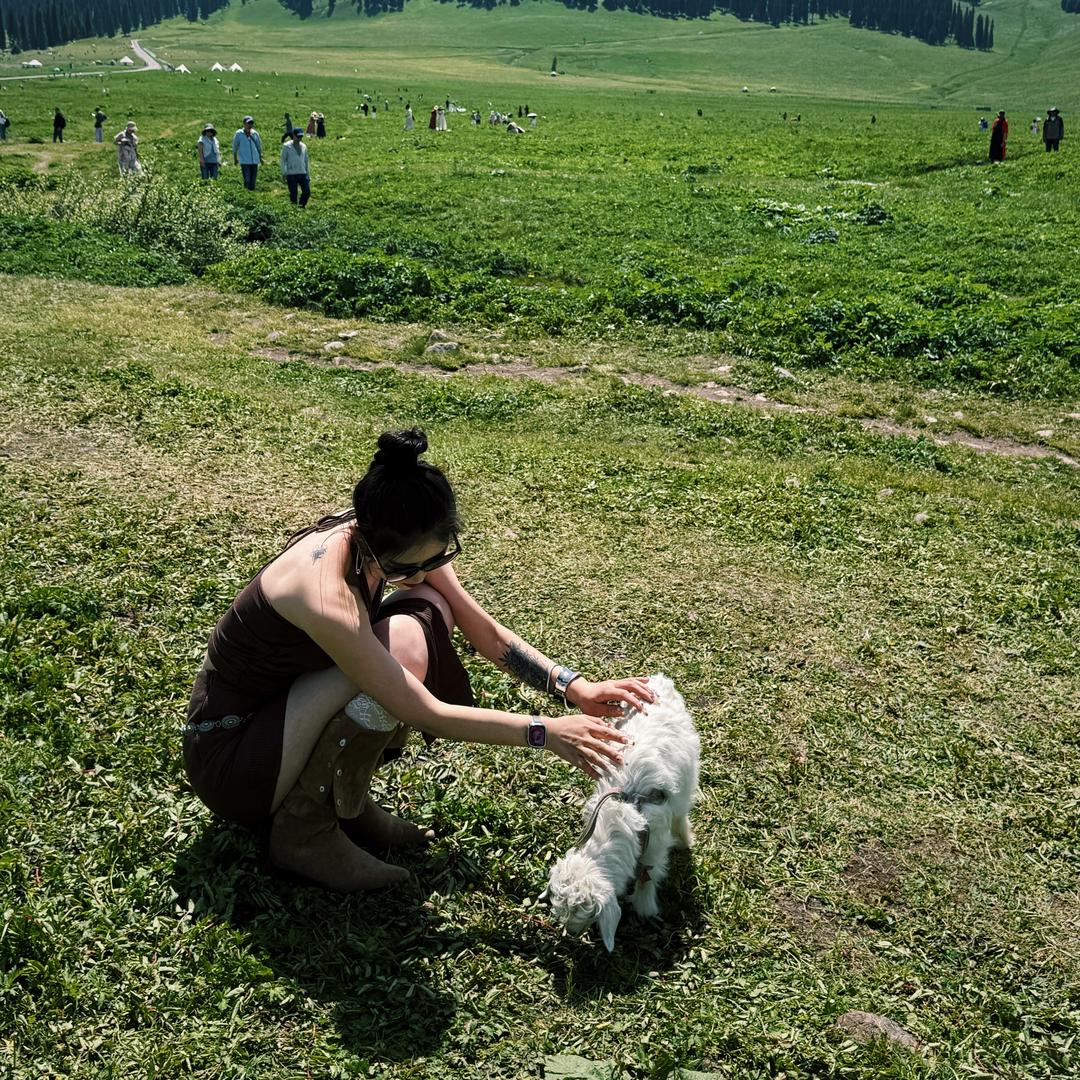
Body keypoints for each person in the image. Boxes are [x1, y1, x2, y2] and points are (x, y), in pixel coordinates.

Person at [184, 429, 649, 893]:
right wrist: (546, 732)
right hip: (235, 755)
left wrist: (573, 687)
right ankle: (304, 829)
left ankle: (346, 797)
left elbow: (480, 627)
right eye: (405, 568)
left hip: (285, 712)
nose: (421, 573)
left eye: (436, 558)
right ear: (368, 539)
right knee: (402, 648)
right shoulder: (326, 592)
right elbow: (426, 712)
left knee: (433, 605)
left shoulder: (397, 532)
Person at [280, 126, 311, 207]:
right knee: (293, 194)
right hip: (291, 173)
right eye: (298, 136)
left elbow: (306, 160)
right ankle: (294, 209)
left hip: (302, 172)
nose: (300, 138)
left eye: (301, 136)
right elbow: (283, 160)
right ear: (293, 135)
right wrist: (284, 173)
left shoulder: (304, 146)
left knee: (307, 191)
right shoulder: (287, 146)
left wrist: (308, 174)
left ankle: (301, 206)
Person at [232, 115, 262, 191]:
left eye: (251, 123)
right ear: (244, 124)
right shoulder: (239, 134)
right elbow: (235, 146)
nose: (250, 125)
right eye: (248, 123)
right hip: (244, 160)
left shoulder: (255, 133)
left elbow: (259, 146)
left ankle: (251, 194)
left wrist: (260, 158)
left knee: (253, 181)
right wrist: (235, 158)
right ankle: (246, 192)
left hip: (254, 160)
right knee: (247, 179)